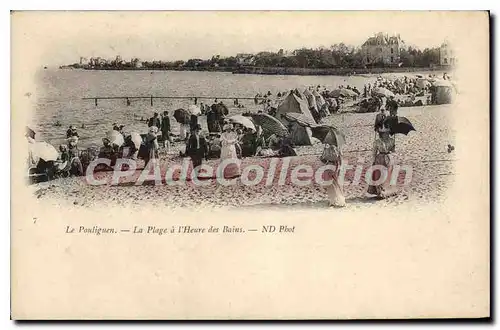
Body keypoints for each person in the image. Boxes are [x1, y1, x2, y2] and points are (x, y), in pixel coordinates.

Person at [367, 126, 397, 198]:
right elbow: (374, 152)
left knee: (388, 175)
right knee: (380, 175)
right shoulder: (377, 142)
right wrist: (373, 161)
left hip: (389, 158)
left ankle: (388, 191)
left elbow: (394, 151)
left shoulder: (392, 140)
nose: (386, 134)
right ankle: (380, 192)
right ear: (381, 133)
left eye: (387, 133)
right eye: (384, 133)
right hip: (379, 159)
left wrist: (392, 149)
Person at [320, 143, 346, 207]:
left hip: (332, 166)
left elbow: (335, 157)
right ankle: (335, 200)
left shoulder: (334, 147)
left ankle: (336, 200)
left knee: (333, 184)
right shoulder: (334, 147)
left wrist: (326, 153)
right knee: (333, 183)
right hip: (332, 166)